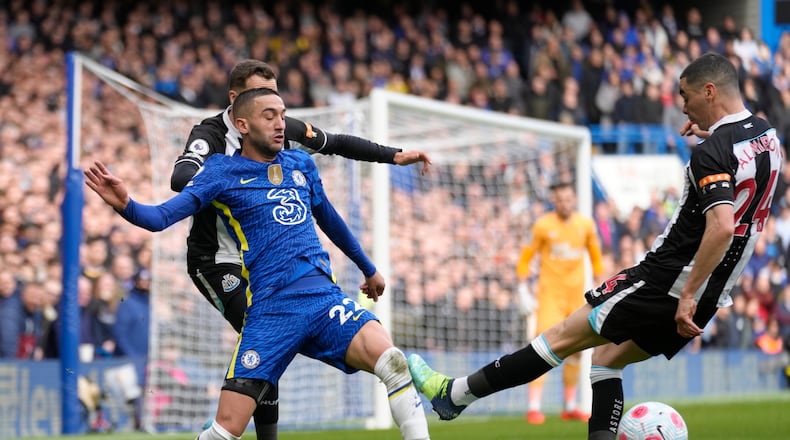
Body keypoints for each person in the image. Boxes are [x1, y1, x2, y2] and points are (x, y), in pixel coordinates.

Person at [407, 52, 783, 440]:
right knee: (604, 360)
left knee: (559, 339)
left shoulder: (711, 154)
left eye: (686, 96)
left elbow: (720, 226)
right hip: (712, 296)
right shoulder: (768, 138)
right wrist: (716, 136)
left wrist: (686, 292)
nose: (682, 106)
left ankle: (454, 394)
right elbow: (741, 180)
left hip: (667, 281)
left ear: (709, 91)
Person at [85, 88, 430, 440]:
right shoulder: (221, 172)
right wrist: (125, 204)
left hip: (324, 300)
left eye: (282, 114)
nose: (281, 124)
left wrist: (367, 267)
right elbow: (160, 217)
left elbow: (330, 219)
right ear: (242, 124)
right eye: (269, 116)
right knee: (224, 431)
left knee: (393, 362)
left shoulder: (301, 164)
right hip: (270, 312)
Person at [516, 180, 604, 424]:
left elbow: (596, 257)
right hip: (550, 297)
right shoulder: (543, 226)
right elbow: (526, 257)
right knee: (541, 347)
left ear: (573, 199)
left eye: (568, 199)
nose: (564, 204)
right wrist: (522, 286)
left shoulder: (585, 225)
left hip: (577, 297)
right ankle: (534, 406)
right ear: (553, 201)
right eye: (560, 200)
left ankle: (569, 405)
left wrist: (600, 284)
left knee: (577, 349)